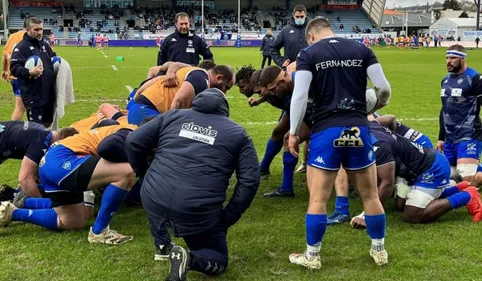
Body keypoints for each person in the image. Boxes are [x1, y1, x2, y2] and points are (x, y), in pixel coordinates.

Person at [287, 18, 391, 268]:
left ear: (310, 36)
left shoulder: (308, 54)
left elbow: (300, 95)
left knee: (318, 198)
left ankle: (312, 256)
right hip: (358, 128)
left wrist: (293, 132)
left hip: (326, 132)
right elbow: (384, 88)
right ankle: (379, 251)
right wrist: (378, 104)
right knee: (370, 195)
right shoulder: (362, 49)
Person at [126, 88, 260, 280]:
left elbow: (132, 141)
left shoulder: (172, 116)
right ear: (225, 108)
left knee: (160, 199)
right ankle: (188, 259)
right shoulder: (238, 133)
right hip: (196, 208)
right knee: (218, 257)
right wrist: (227, 217)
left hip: (153, 194)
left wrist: (145, 173)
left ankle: (162, 245)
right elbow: (250, 180)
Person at [0, 124, 138, 245]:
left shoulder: (118, 129)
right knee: (127, 172)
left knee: (73, 222)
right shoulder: (130, 132)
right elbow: (107, 147)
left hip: (53, 160)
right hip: (64, 159)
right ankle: (100, 231)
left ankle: (13, 212)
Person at [127, 65, 235, 125]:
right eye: (226, 88)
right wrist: (173, 126)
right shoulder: (202, 79)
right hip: (148, 111)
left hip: (143, 108)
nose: (224, 93)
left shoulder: (195, 71)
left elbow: (158, 79)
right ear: (219, 78)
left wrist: (137, 96)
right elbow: (180, 100)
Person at [437, 44, 482, 182]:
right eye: (447, 58)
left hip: (469, 136)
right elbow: (444, 109)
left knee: (464, 181)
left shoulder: (475, 78)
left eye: (453, 58)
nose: (448, 61)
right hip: (450, 139)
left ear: (463, 59)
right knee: (444, 179)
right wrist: (441, 138)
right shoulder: (445, 80)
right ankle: (475, 168)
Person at [0, 121, 78, 197]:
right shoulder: (41, 142)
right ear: (61, 142)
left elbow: (36, 171)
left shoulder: (41, 130)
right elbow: (25, 180)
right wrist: (41, 203)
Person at [10, 16, 56, 128]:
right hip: (33, 94)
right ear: (27, 29)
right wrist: (29, 72)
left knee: (47, 124)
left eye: (41, 29)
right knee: (36, 127)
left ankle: (44, 144)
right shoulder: (21, 47)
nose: (39, 32)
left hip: (47, 92)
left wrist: (58, 61)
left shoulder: (44, 44)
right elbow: (14, 68)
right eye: (36, 30)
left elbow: (52, 57)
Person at [2, 21, 27, 121]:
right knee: (20, 108)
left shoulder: (12, 36)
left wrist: (4, 70)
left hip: (12, 75)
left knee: (22, 107)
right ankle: (12, 132)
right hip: (21, 75)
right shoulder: (27, 36)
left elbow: (5, 55)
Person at [270, 5, 308, 69]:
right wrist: (281, 62)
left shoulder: (312, 29)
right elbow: (273, 48)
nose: (299, 19)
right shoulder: (286, 30)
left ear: (306, 15)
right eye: (297, 17)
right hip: (290, 70)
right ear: (293, 15)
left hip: (309, 69)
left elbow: (319, 48)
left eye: (302, 16)